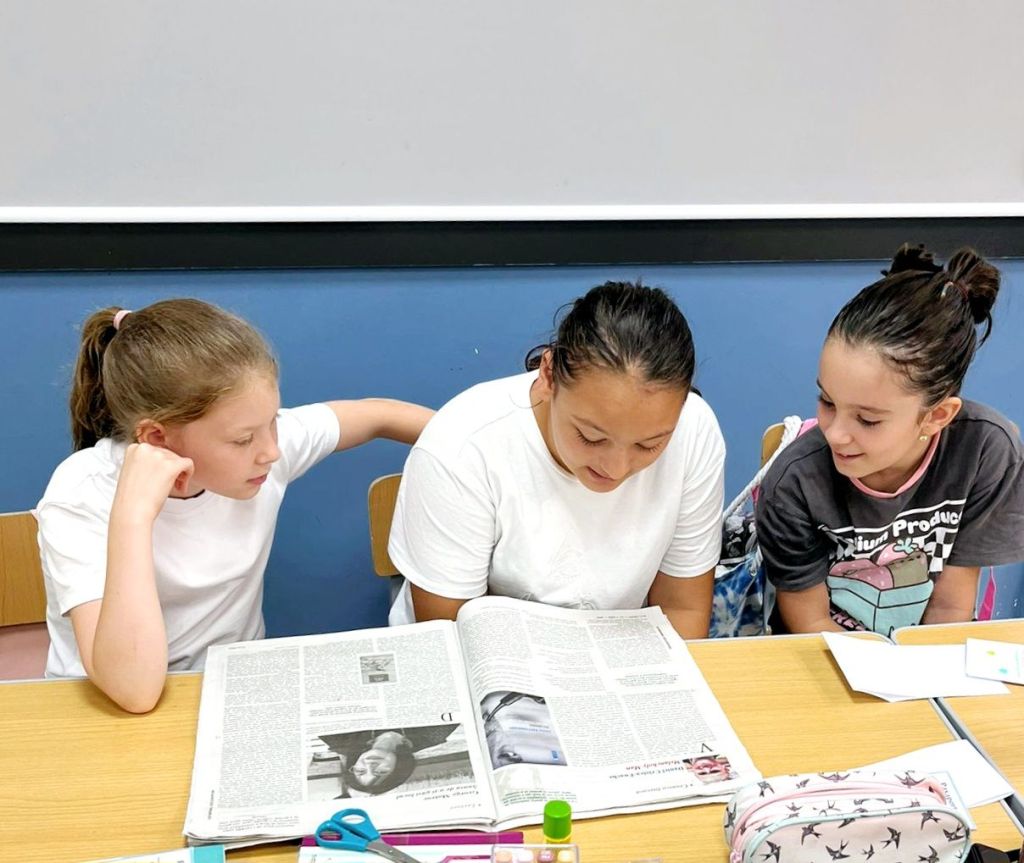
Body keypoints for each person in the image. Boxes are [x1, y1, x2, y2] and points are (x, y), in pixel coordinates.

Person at [37, 299, 433, 712]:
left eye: (274, 422)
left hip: (225, 692)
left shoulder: (259, 449)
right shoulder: (82, 494)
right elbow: (134, 691)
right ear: (156, 438)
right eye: (243, 439)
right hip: (108, 707)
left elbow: (379, 415)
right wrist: (133, 517)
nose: (272, 452)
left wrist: (471, 450)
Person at [387, 280, 726, 638]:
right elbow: (450, 636)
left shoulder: (693, 432)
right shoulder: (463, 447)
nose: (615, 468)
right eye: (591, 437)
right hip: (486, 653)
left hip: (617, 654)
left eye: (648, 445)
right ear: (548, 375)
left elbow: (682, 609)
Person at [756, 245, 1024, 635]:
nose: (835, 434)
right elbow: (810, 623)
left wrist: (914, 668)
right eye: (827, 402)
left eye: (867, 419)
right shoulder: (795, 481)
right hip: (825, 651)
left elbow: (950, 608)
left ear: (937, 416)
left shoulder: (986, 453)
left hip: (927, 649)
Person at [319, 725, 458, 795]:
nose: (370, 765)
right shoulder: (431, 736)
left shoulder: (338, 740)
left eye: (360, 771)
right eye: (380, 772)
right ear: (398, 768)